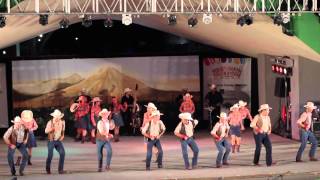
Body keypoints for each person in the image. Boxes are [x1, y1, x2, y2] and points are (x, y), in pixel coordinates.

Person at [45, 109, 66, 174]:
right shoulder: (50, 122)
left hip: (58, 140)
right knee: (50, 155)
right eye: (56, 117)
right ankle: (48, 168)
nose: (57, 118)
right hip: (51, 140)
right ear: (54, 116)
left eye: (58, 117)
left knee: (62, 153)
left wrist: (62, 136)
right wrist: (52, 129)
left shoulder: (62, 122)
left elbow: (63, 130)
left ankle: (60, 169)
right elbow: (45, 131)